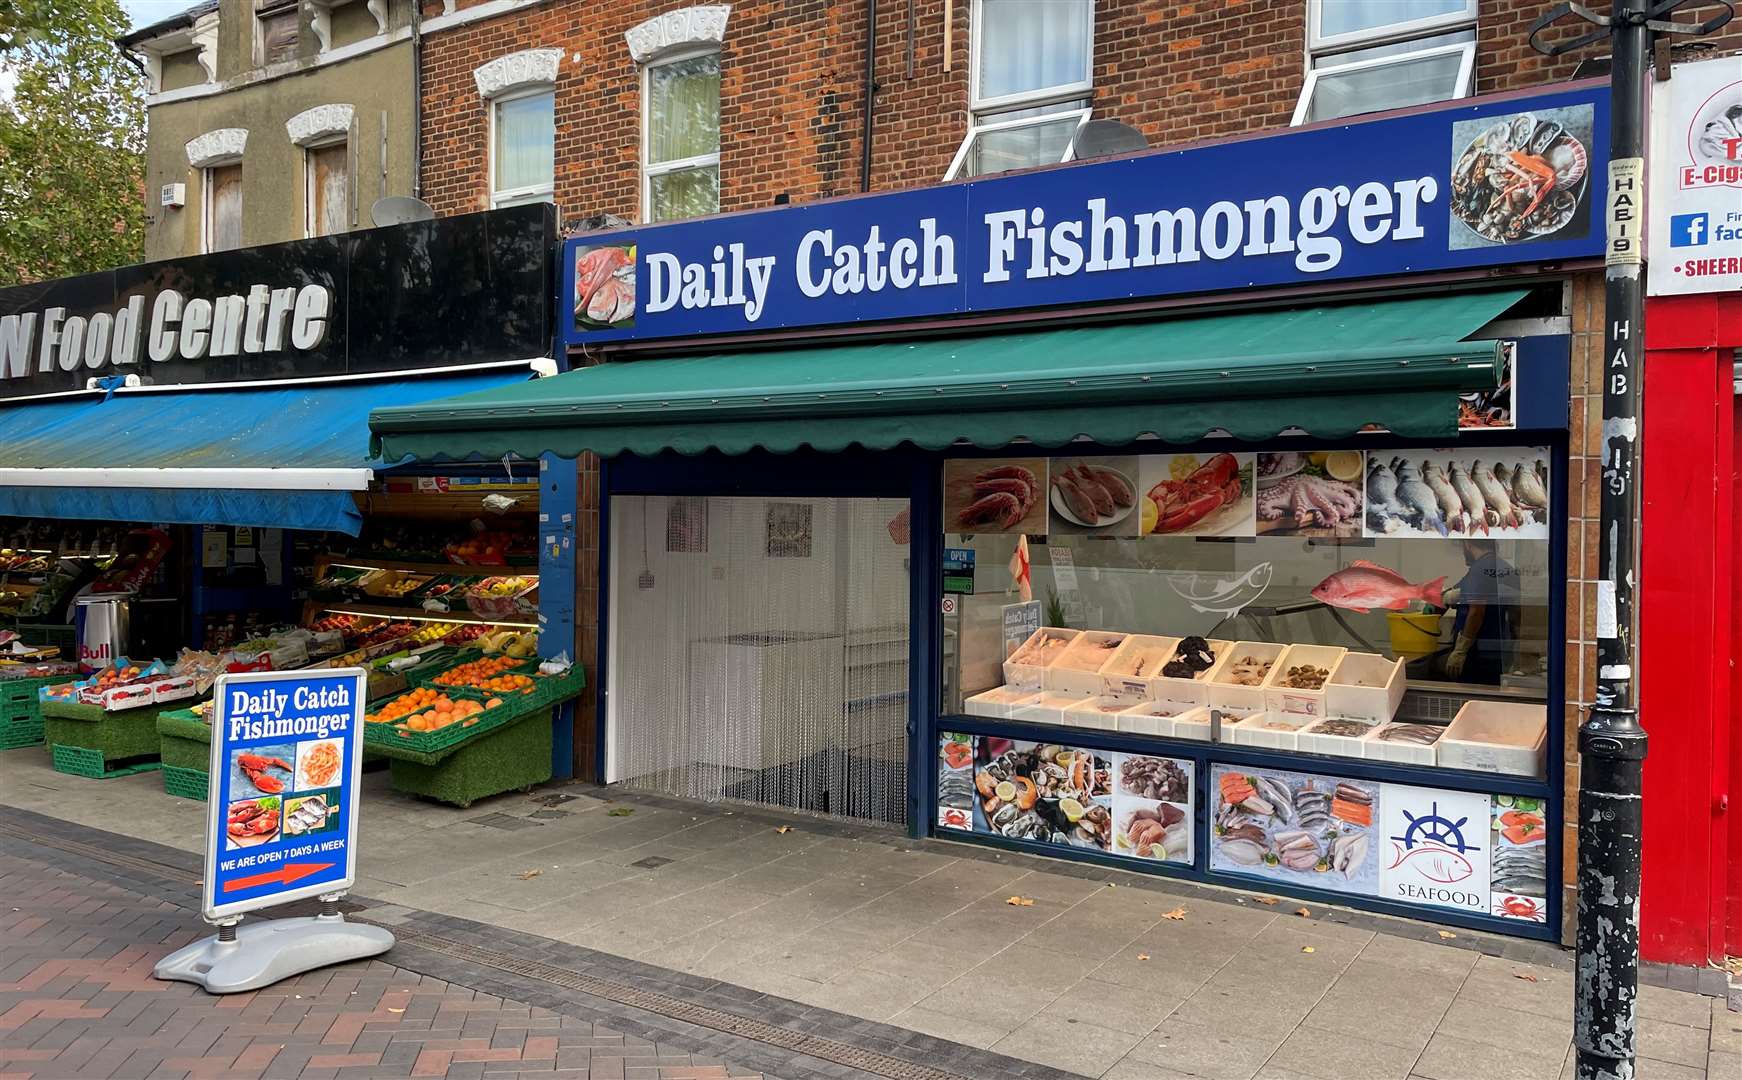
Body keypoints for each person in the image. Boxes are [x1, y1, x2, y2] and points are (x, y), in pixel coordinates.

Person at [1443, 538, 1518, 684]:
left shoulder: (1479, 570)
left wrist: (1460, 651)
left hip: (1476, 653)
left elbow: (1476, 611)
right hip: (1497, 649)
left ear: (1467, 544)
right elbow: (1516, 612)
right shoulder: (1506, 568)